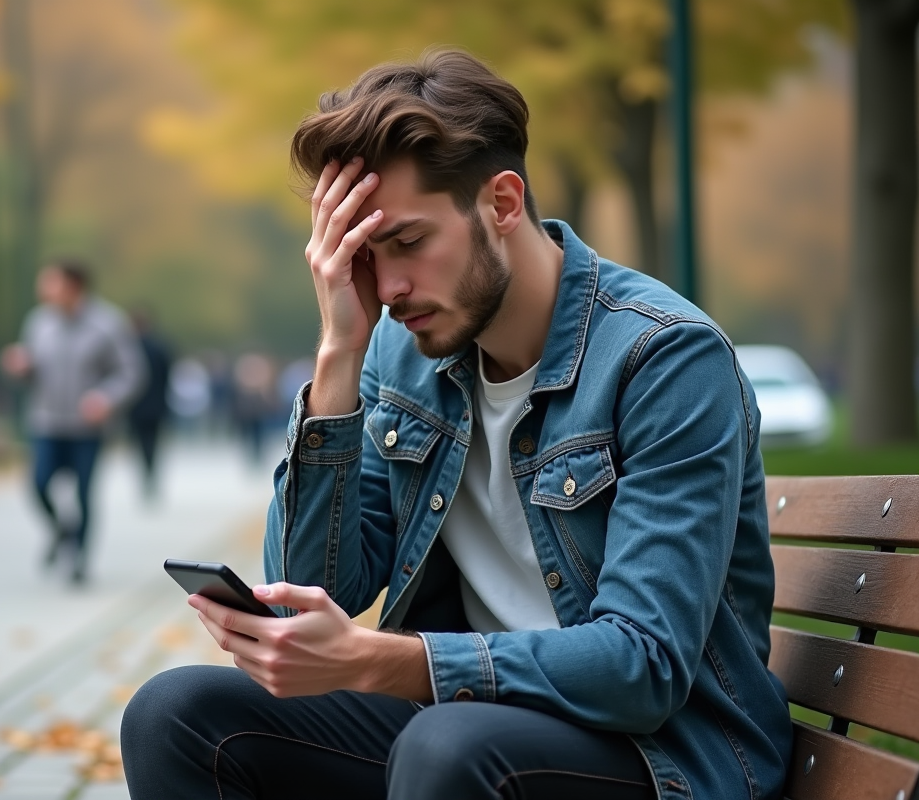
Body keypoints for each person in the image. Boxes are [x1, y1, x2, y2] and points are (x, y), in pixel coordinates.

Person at [121, 50, 791, 800]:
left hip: (664, 754)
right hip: (469, 733)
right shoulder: (396, 352)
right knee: (174, 713)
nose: (392, 287)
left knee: (444, 744)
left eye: (407, 243)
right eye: (367, 258)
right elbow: (315, 588)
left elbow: (644, 668)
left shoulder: (663, 358)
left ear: (503, 203)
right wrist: (339, 351)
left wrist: (389, 661)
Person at [0, 260, 145, 585]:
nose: (43, 291)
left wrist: (106, 398)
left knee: (83, 493)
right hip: (46, 422)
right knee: (38, 485)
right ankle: (61, 529)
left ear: (74, 286)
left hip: (87, 427)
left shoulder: (108, 323)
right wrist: (22, 367)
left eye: (50, 283)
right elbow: (32, 368)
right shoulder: (39, 322)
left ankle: (79, 559)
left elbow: (132, 373)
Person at [127, 309, 173, 501]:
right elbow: (167, 375)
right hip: (156, 403)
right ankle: (150, 473)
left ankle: (145, 473)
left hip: (135, 404)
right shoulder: (160, 346)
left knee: (139, 442)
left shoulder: (128, 348)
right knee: (152, 442)